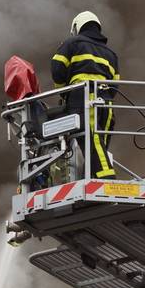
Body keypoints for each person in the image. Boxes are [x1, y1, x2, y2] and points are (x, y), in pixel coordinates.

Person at [51, 11, 120, 179]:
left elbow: (57, 68)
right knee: (99, 143)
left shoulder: (72, 43)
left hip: (83, 97)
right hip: (107, 103)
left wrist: (64, 91)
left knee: (92, 141)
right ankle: (93, 176)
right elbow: (115, 85)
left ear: (77, 26)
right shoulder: (111, 54)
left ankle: (106, 177)